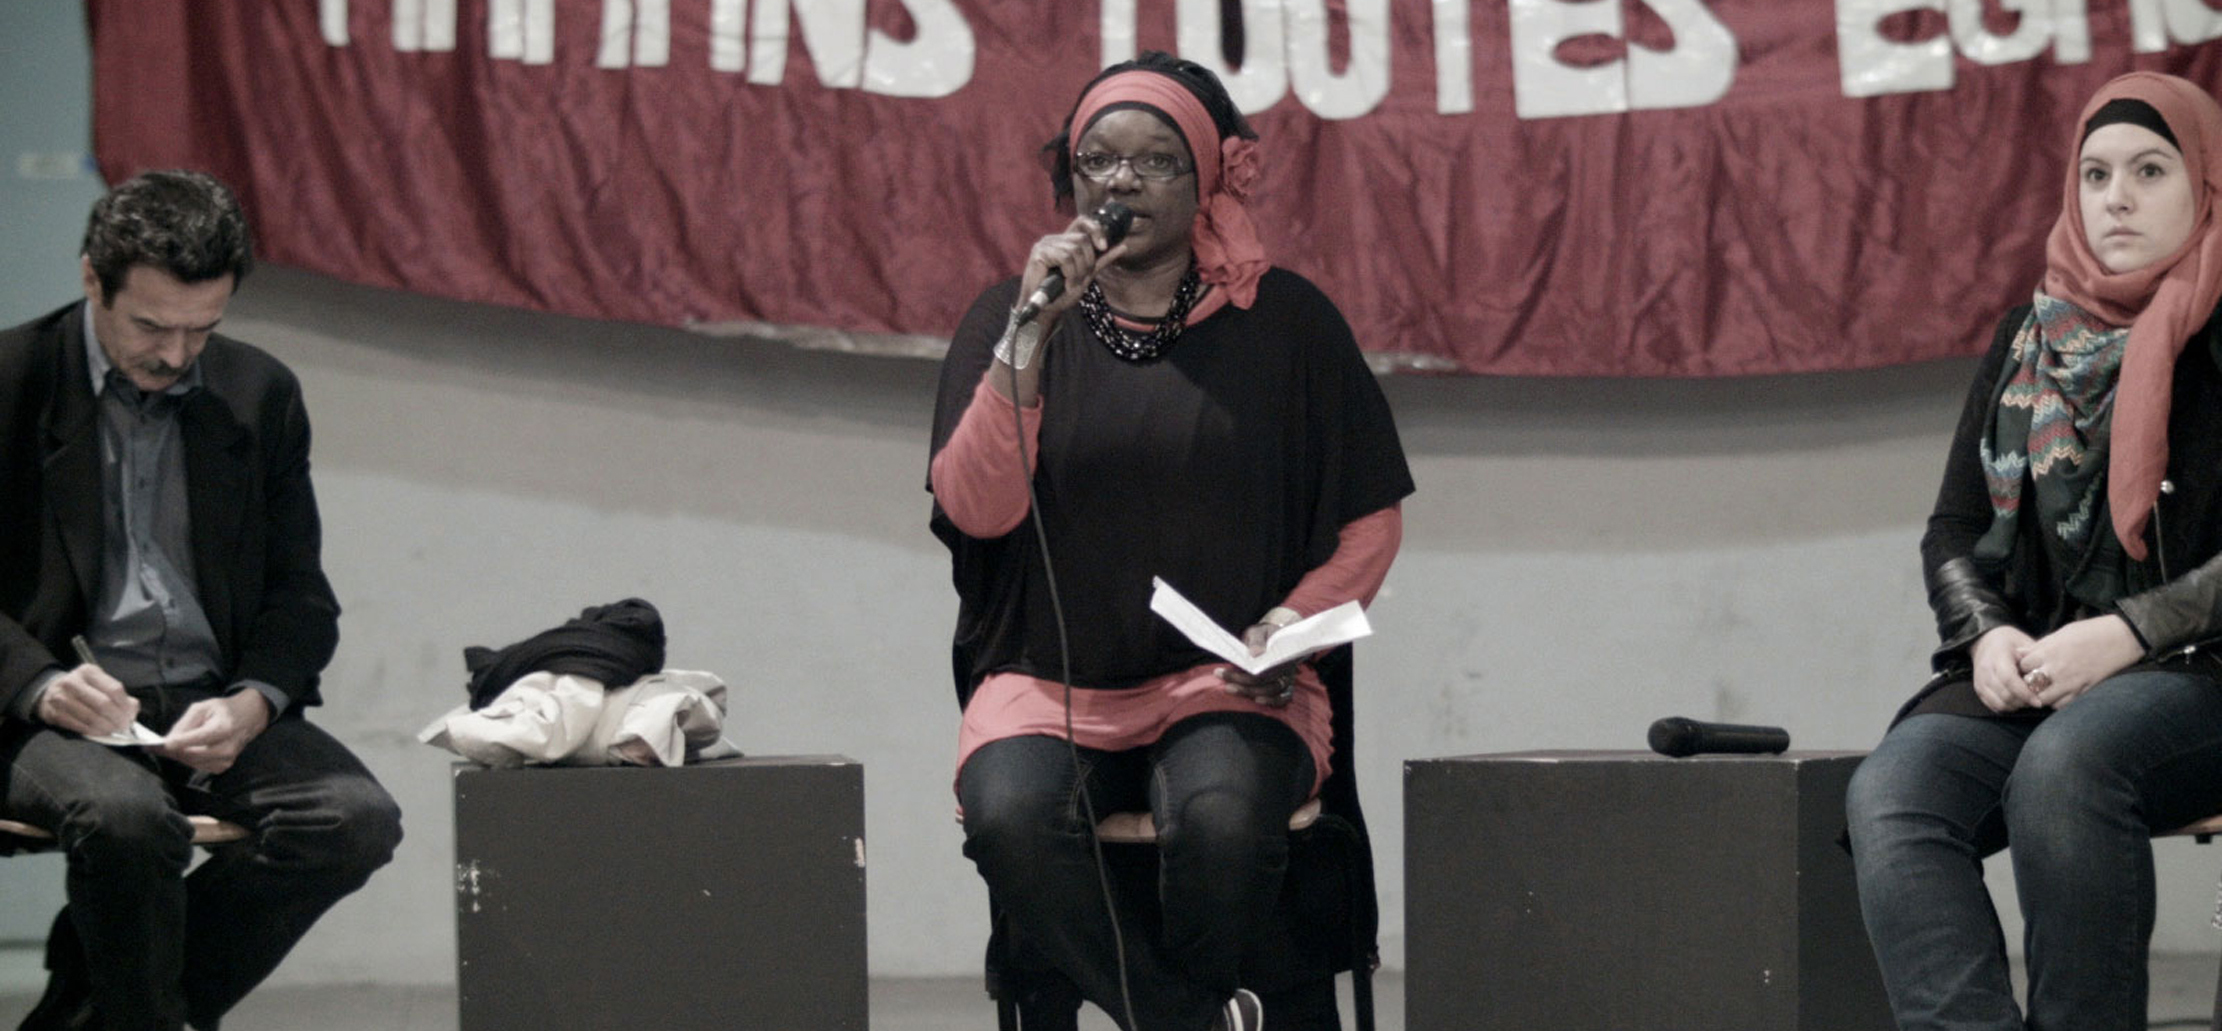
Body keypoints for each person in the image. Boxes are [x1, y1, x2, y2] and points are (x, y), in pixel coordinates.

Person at [927, 51, 1413, 1031]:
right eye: (1096, 160)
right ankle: (1185, 1018)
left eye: (1152, 163)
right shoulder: (1009, 317)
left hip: (1222, 683)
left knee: (1225, 817)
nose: (1118, 182)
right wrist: (1026, 344)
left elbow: (1370, 515)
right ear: (1069, 180)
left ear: (1202, 183)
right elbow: (976, 509)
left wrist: (1289, 624)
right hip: (1051, 680)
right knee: (1009, 811)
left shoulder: (1287, 323)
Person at [1845, 72, 2222, 1031]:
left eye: (2148, 171)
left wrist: (2130, 633)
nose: (2117, 198)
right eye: (2095, 175)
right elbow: (1954, 529)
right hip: (2050, 669)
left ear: (2206, 186)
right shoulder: (2029, 336)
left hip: (2199, 673)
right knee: (1894, 790)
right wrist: (1984, 636)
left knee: (2066, 765)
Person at [0, 170, 403, 1031]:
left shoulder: (259, 394)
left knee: (353, 821)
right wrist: (37, 682)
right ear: (89, 279)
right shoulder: (11, 381)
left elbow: (301, 596)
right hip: (48, 709)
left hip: (200, 698)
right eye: (151, 325)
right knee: (125, 819)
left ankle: (92, 1004)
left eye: (203, 328)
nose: (177, 355)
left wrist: (255, 702)